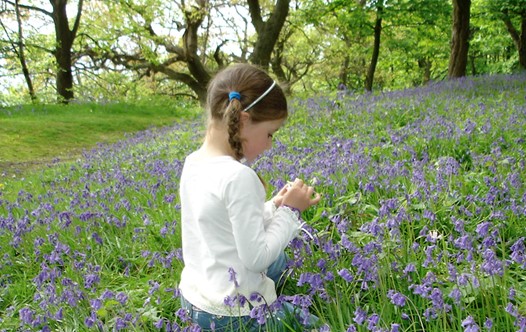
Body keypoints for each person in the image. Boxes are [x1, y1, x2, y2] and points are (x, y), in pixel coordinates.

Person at [178, 63, 322, 331]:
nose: (269, 144)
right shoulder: (238, 177)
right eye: (270, 134)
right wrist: (291, 213)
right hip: (236, 315)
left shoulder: (193, 163)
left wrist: (273, 206)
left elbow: (222, 223)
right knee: (312, 325)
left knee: (280, 263)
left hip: (194, 302)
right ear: (243, 121)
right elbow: (256, 258)